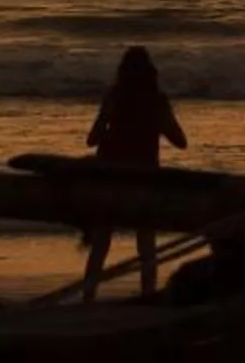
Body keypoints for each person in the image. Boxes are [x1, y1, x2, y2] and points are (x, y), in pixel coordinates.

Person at [80, 45, 187, 302]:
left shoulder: (114, 97)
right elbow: (180, 141)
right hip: (145, 180)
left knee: (101, 244)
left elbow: (91, 140)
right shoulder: (157, 101)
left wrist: (112, 134)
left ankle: (88, 297)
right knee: (146, 244)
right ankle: (147, 295)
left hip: (112, 178)